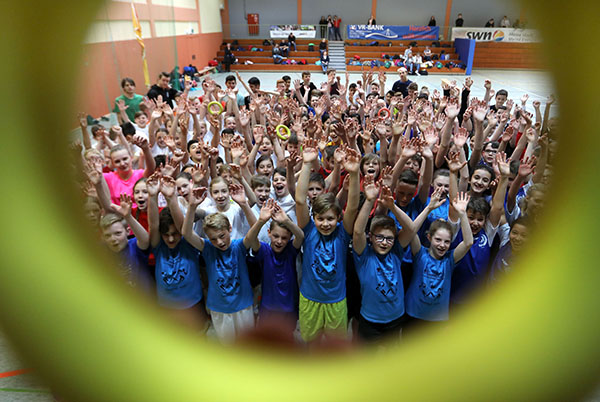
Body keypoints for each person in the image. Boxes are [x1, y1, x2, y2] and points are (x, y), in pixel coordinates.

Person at [295, 139, 361, 343]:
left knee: (335, 347)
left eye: (330, 218)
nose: (325, 223)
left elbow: (351, 207)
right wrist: (307, 164)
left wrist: (354, 173)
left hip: (336, 301)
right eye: (320, 218)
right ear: (313, 218)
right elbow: (299, 200)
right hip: (309, 299)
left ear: (338, 219)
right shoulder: (308, 230)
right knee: (312, 344)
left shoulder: (342, 233)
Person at [182, 187, 256, 342]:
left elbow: (254, 230)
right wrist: (192, 206)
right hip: (219, 308)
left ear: (229, 229)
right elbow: (187, 234)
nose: (219, 242)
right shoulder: (208, 248)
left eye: (222, 236)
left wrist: (244, 204)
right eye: (214, 238)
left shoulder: (239, 246)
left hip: (243, 306)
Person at [404, 192, 474, 327]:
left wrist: (462, 213)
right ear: (429, 238)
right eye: (438, 240)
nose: (442, 245)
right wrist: (429, 208)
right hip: (413, 315)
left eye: (447, 242)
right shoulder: (420, 254)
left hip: (437, 320)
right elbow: (411, 230)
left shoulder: (450, 259)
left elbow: (468, 242)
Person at [246, 199, 304, 322]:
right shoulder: (264, 250)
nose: (279, 241)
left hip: (288, 306)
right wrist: (261, 221)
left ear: (289, 238)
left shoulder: (290, 250)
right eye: (276, 236)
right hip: (268, 307)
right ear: (269, 233)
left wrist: (286, 221)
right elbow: (251, 239)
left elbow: (300, 236)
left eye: (284, 238)